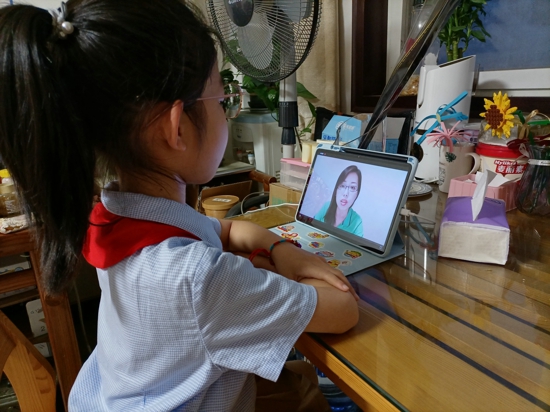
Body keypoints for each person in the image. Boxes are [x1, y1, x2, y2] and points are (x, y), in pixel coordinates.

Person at [0, 0, 359, 410]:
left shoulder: (115, 217)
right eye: (222, 100)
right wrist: (276, 273)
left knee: (297, 382)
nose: (226, 113)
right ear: (177, 129)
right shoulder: (198, 279)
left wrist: (281, 250)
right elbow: (344, 309)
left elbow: (228, 229)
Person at [314, 166, 364, 236]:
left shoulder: (357, 221)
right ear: (336, 190)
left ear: (357, 194)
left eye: (352, 187)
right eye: (342, 186)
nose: (345, 193)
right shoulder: (326, 206)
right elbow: (311, 228)